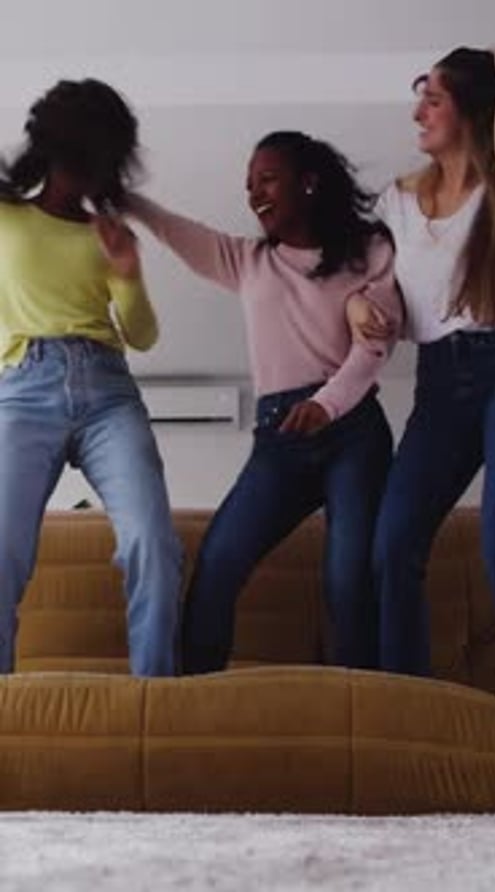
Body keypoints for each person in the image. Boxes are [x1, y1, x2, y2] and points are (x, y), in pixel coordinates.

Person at [127, 130, 402, 674]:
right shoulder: (248, 261)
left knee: (347, 579)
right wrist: (127, 198)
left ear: (308, 183)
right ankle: (192, 707)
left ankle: (363, 708)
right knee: (218, 566)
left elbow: (375, 346)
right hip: (280, 438)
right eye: (249, 184)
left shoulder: (371, 251)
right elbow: (175, 230)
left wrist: (327, 404)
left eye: (267, 178)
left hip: (352, 434)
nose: (254, 193)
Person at [0, 78, 182, 676]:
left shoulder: (108, 235)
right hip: (23, 389)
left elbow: (142, 334)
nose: (88, 177)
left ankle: (154, 700)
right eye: (80, 160)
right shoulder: (6, 217)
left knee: (153, 542)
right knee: (2, 553)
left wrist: (127, 269)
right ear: (52, 150)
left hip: (108, 391)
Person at [350, 47, 495, 675]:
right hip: (441, 384)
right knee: (392, 544)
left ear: (471, 110)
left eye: (433, 97)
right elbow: (360, 279)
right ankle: (404, 701)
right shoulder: (398, 201)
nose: (418, 112)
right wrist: (357, 302)